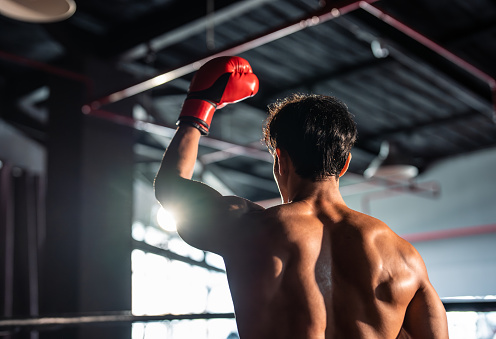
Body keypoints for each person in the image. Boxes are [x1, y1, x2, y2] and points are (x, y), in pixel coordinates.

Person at [154, 56, 449, 339]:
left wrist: (200, 107)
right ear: (344, 164)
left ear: (279, 161)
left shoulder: (245, 228)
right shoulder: (405, 258)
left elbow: (171, 188)